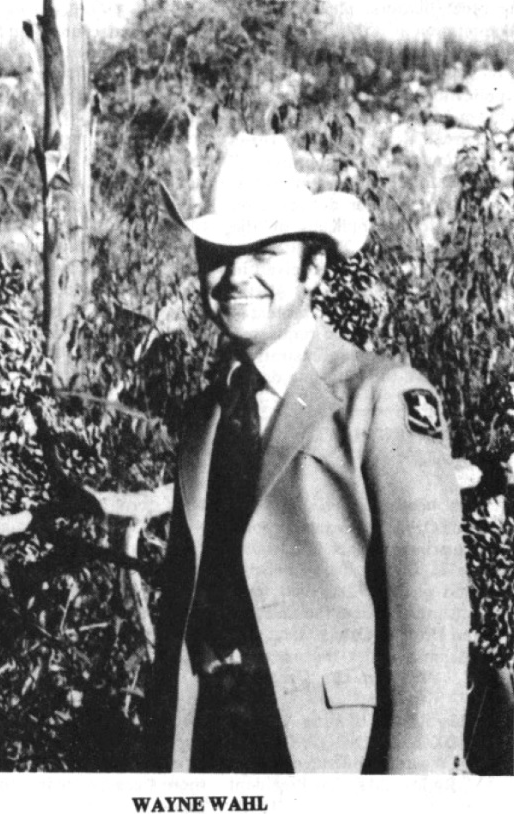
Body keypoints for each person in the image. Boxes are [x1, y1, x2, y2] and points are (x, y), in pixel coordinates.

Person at [146, 133, 470, 774]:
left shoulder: (379, 398)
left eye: (264, 253)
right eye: (218, 254)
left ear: (313, 268)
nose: (237, 276)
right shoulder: (206, 415)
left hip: (332, 758)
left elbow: (430, 625)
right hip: (214, 751)